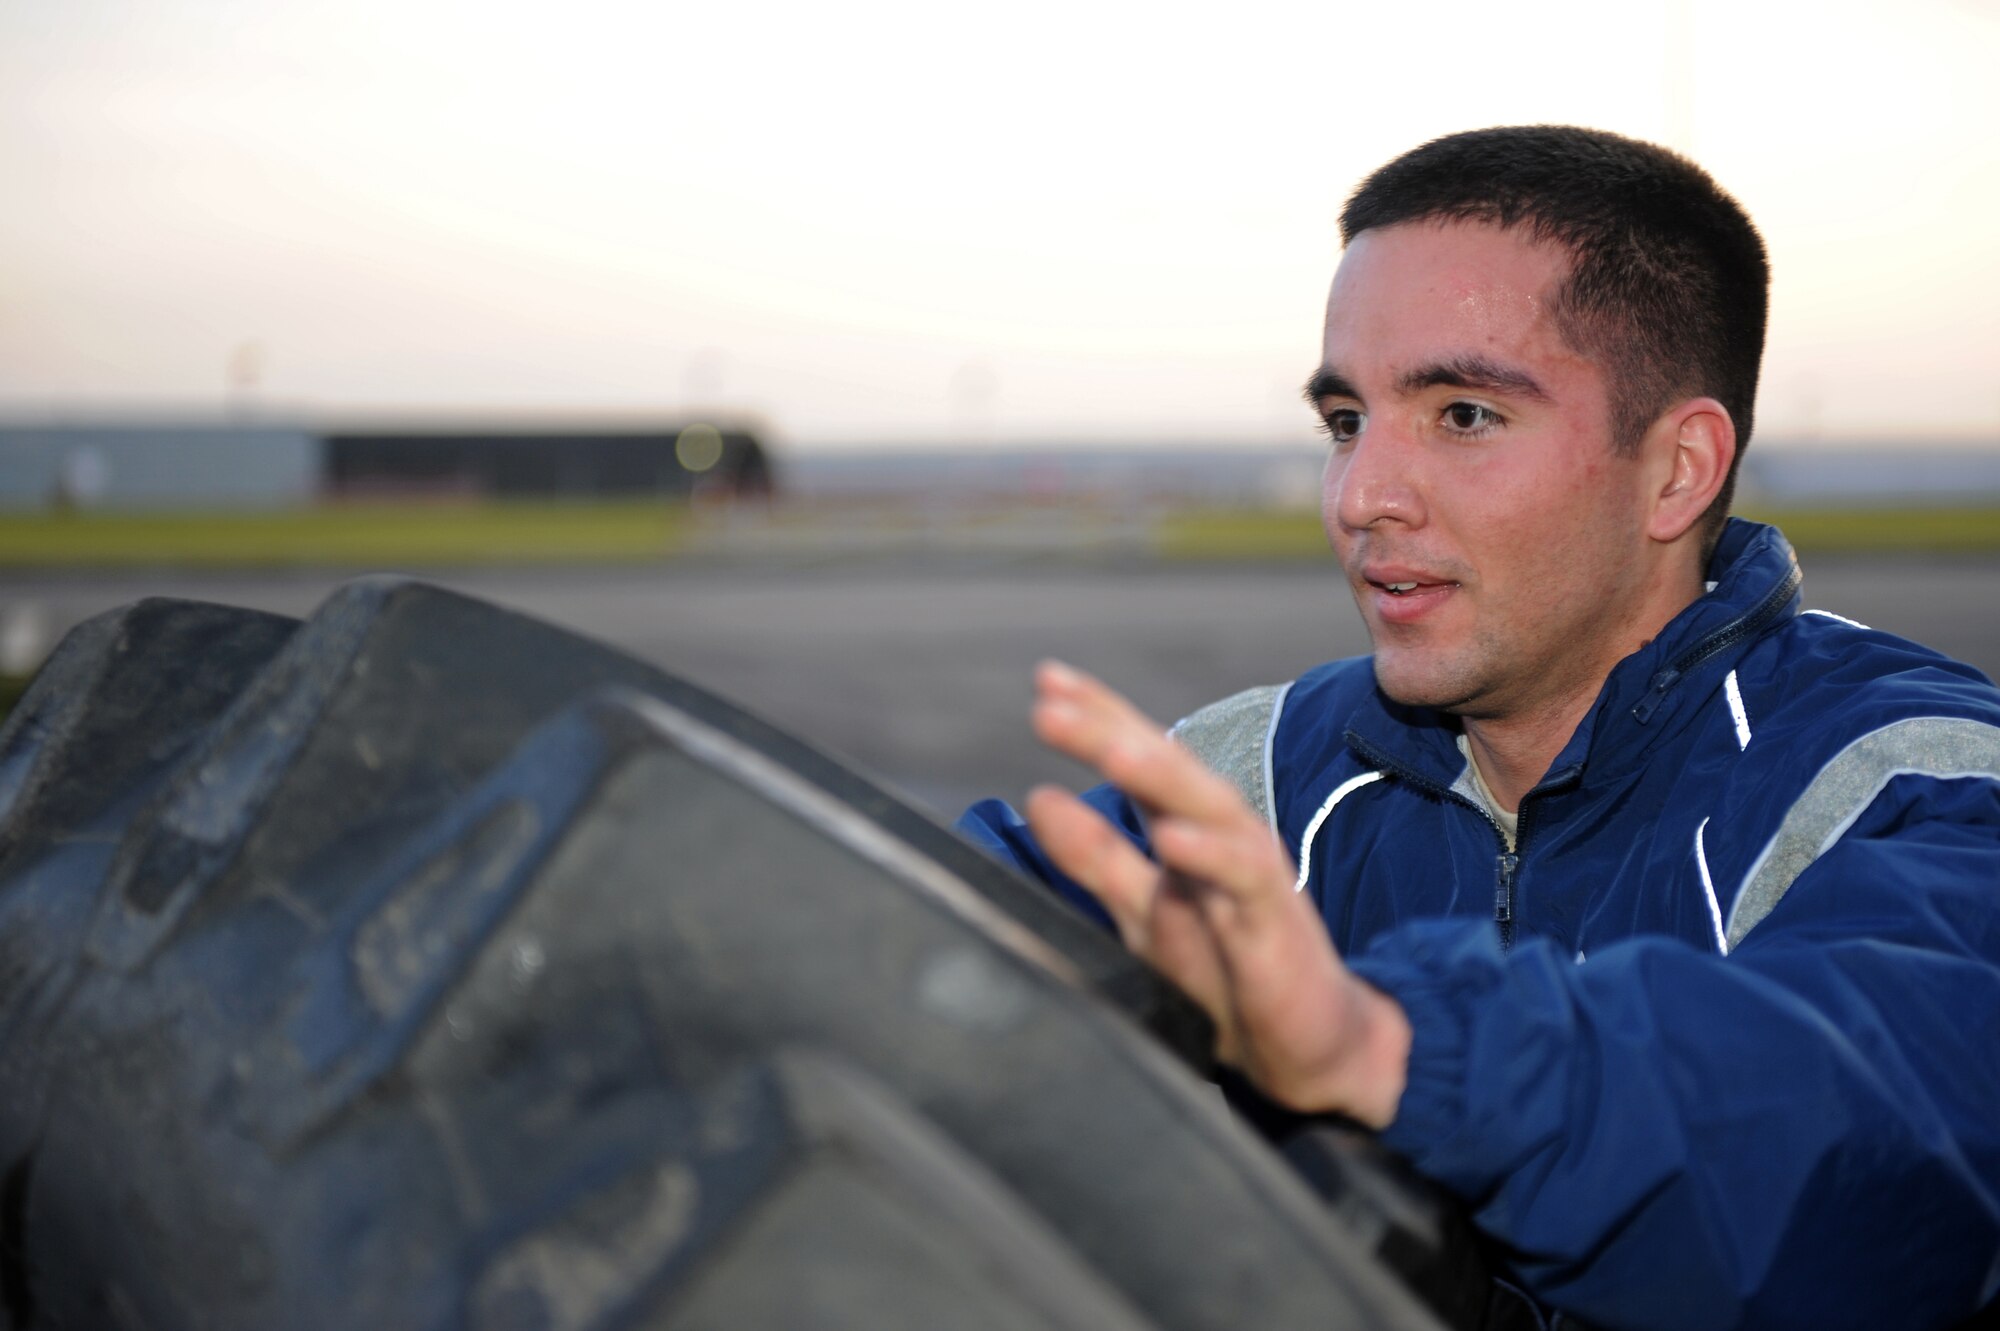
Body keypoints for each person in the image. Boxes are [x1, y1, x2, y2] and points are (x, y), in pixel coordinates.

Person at [957, 126, 2000, 1330]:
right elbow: (900, 937)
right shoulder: (1266, 772)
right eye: (1345, 420)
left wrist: (1386, 1048)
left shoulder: (1916, 783)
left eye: (1459, 414)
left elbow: (1859, 1151)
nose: (1359, 498)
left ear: (1675, 470)